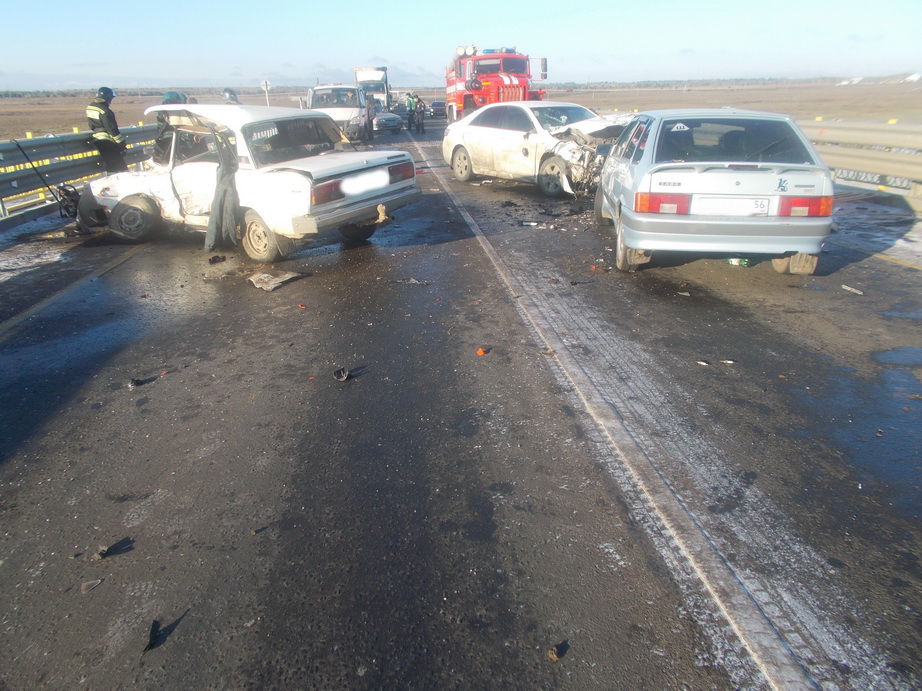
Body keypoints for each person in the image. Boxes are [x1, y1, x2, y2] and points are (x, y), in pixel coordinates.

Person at [86, 86, 128, 173]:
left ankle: (110, 179)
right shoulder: (105, 111)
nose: (111, 101)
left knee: (111, 165)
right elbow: (112, 129)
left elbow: (91, 124)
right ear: (108, 97)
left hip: (98, 140)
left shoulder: (90, 107)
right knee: (120, 167)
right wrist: (121, 143)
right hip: (108, 142)